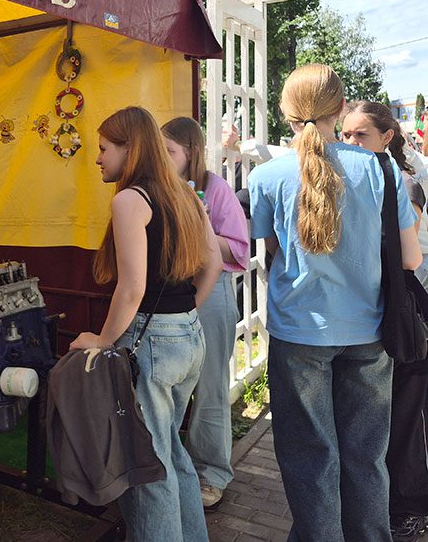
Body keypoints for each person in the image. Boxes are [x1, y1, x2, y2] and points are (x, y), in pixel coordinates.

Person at [249, 64, 422, 540]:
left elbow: (272, 249)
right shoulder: (381, 168)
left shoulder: (267, 176)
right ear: (341, 108)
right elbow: (410, 259)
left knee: (309, 458)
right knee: (367, 457)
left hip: (299, 333)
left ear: (285, 112)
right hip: (369, 331)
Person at [70, 107, 222, 541]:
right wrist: (184, 313)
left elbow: (132, 288)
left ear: (130, 149)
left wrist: (102, 340)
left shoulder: (130, 200)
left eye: (104, 148)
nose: (98, 158)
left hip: (152, 343)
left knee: (146, 466)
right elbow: (213, 263)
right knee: (170, 451)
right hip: (188, 336)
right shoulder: (184, 193)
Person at [342, 100, 428, 542]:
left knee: (405, 419)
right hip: (372, 310)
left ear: (387, 137)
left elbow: (405, 256)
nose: (351, 142)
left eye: (362, 135)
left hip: (403, 309)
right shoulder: (358, 180)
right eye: (345, 134)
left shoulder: (402, 182)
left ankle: (411, 507)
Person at [162, 117, 250, 511]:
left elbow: (239, 249)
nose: (163, 158)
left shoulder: (215, 188)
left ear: (191, 152)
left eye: (170, 151)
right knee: (168, 384)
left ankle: (211, 474)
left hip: (211, 294)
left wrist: (196, 227)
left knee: (210, 386)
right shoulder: (156, 188)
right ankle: (169, 469)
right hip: (169, 293)